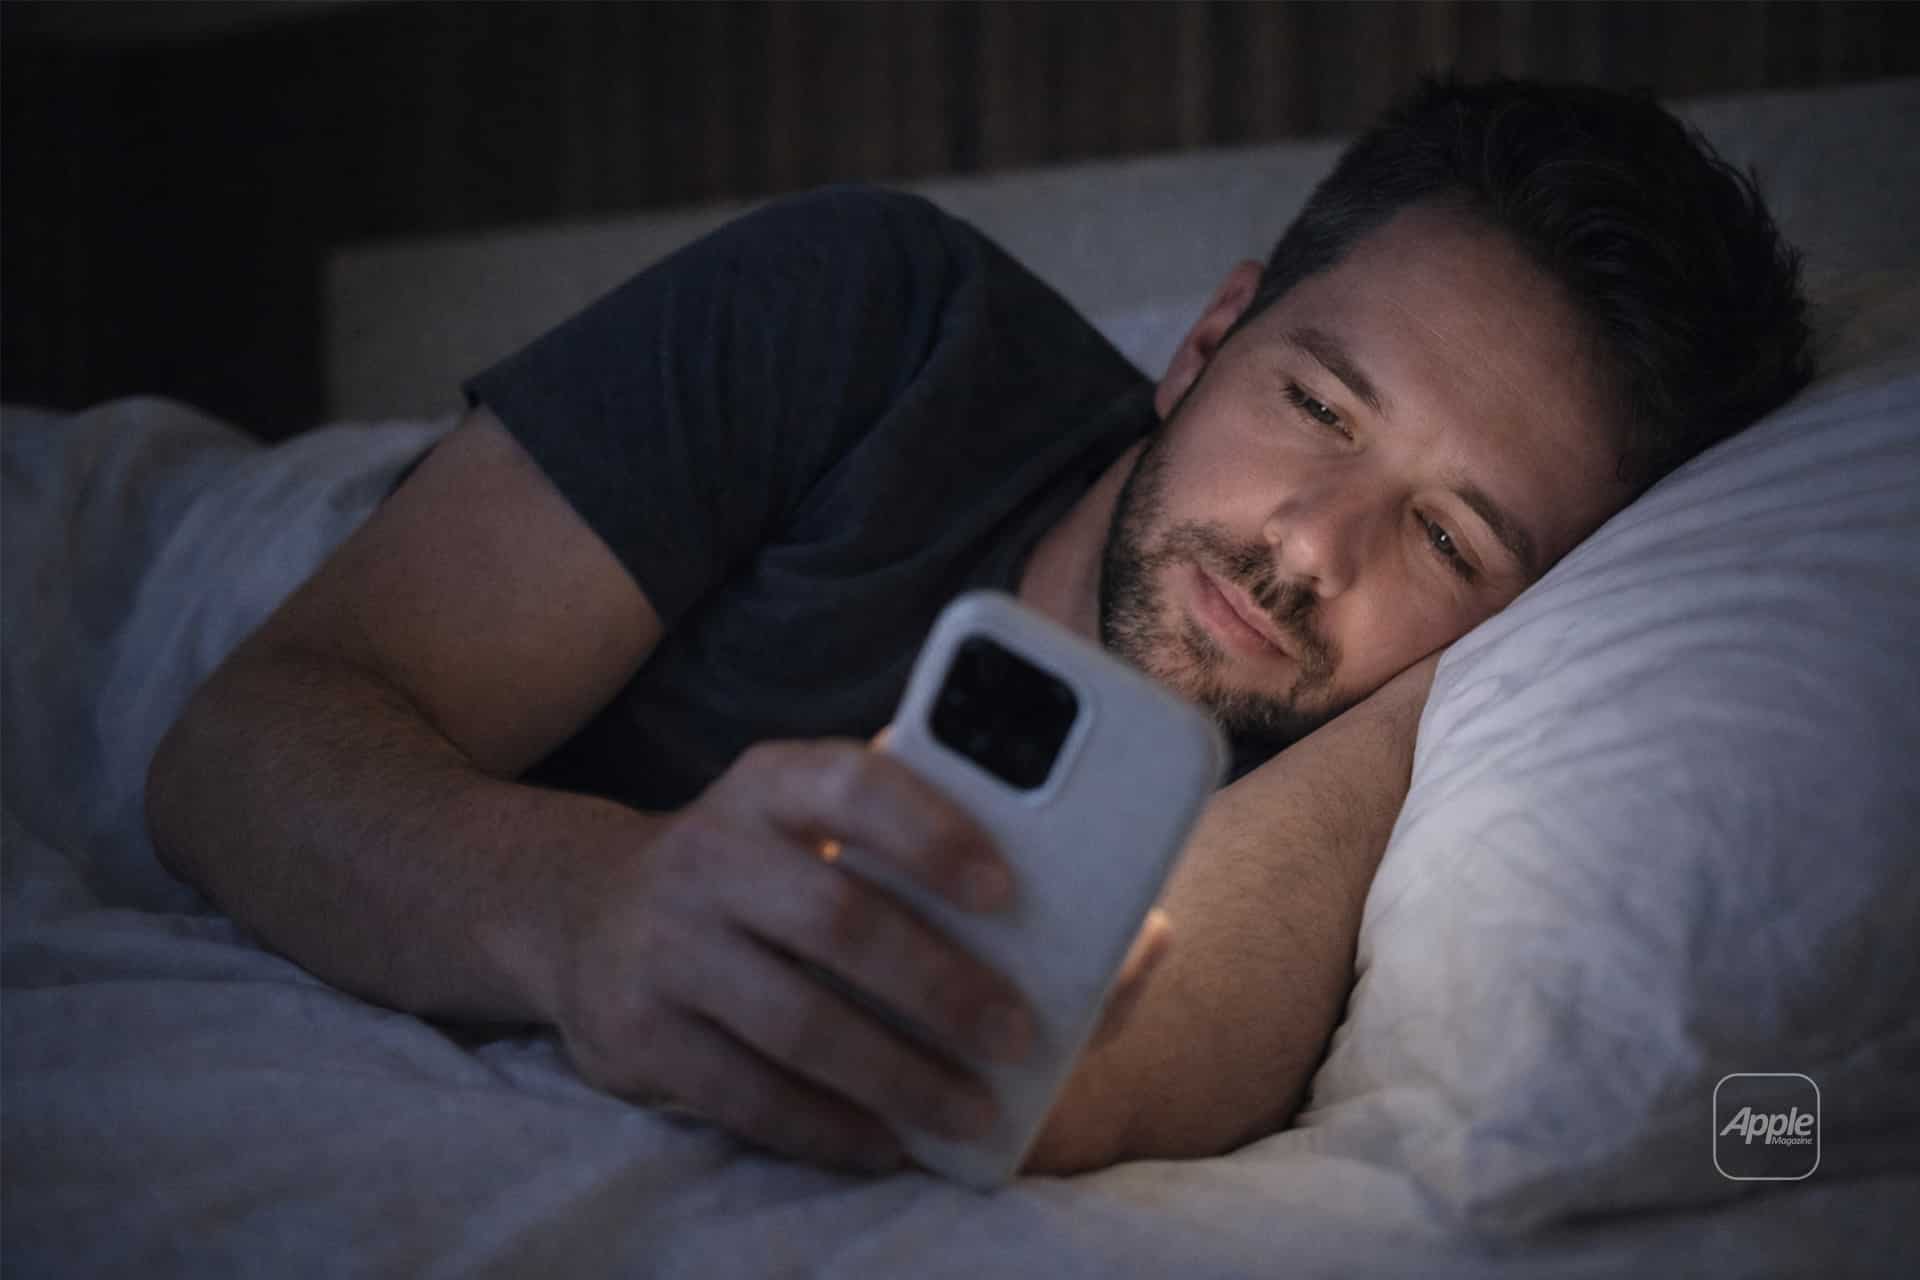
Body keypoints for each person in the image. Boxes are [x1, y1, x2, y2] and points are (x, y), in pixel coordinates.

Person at [145, 77, 1811, 1178]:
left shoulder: (1411, 762)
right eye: (1312, 402)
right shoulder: (868, 319)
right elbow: (243, 741)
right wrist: (587, 911)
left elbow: (1058, 1099)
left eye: (1446, 538)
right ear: (1209, 337)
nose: (1311, 544)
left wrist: (1433, 684)